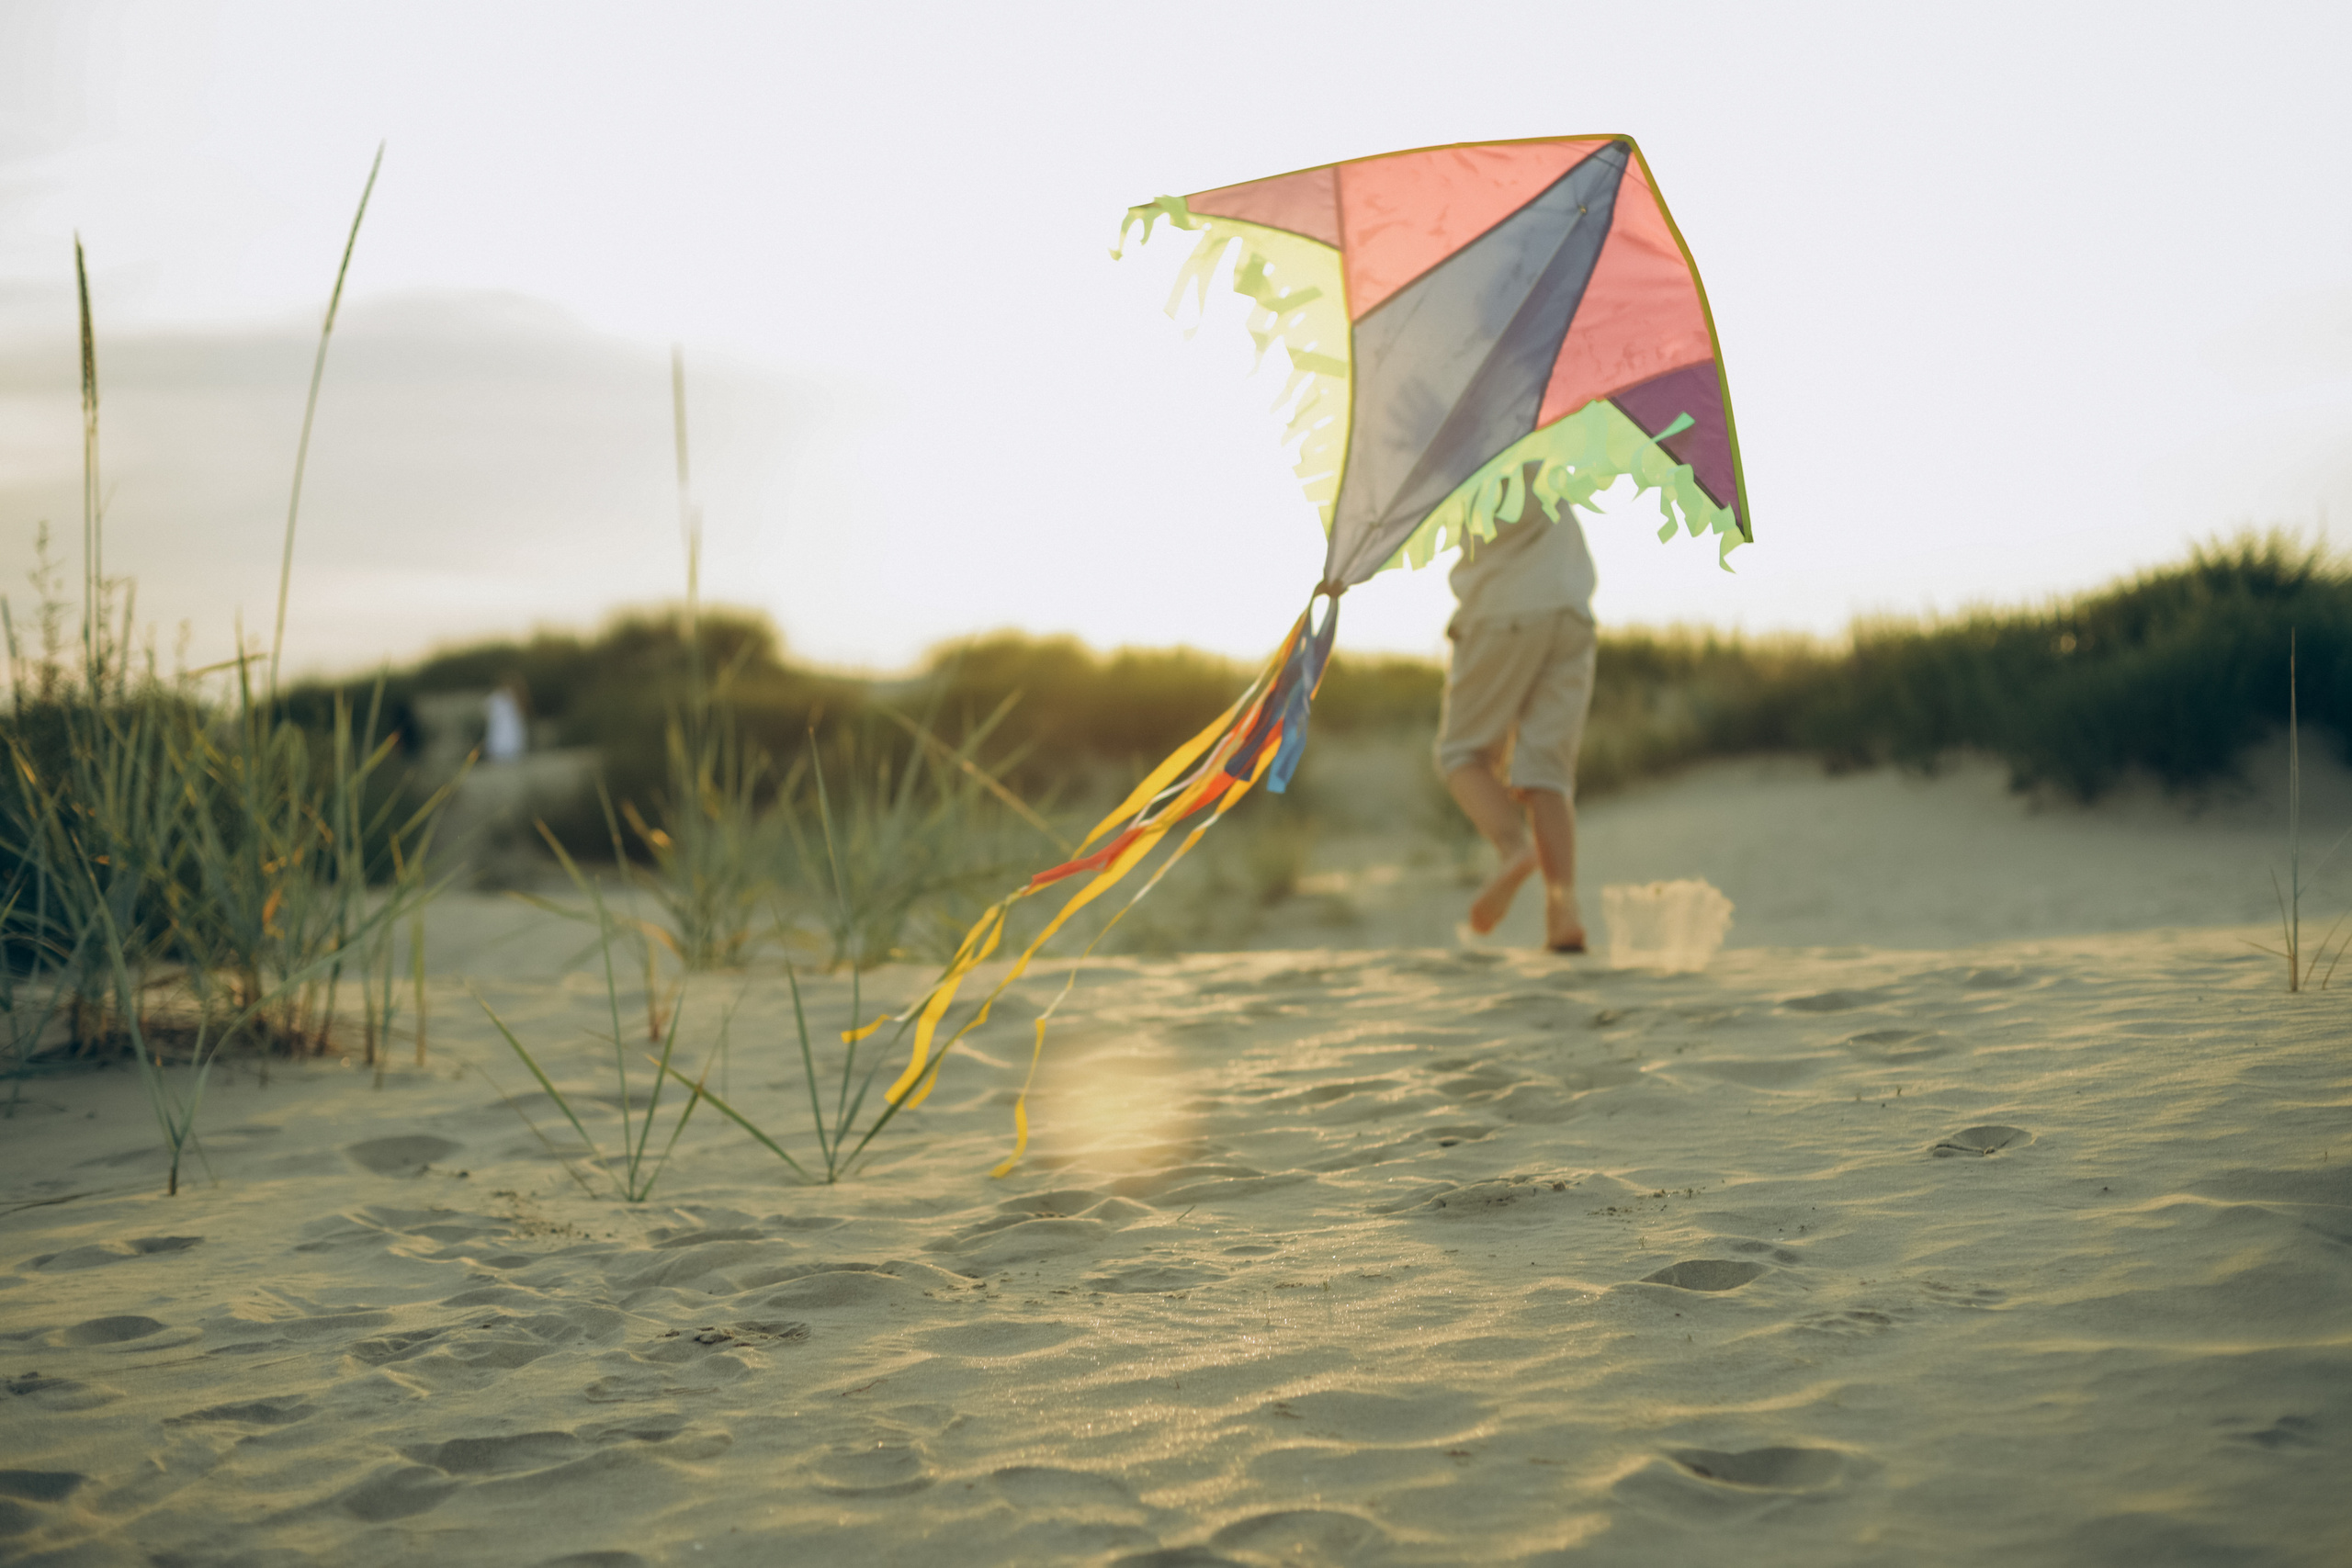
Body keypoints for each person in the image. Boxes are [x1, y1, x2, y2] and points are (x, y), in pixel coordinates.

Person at [1437, 468, 1598, 952]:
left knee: (1461, 754)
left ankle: (1514, 850)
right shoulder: (1548, 430)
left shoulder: (1457, 441)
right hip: (1570, 608)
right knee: (1547, 771)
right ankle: (1563, 910)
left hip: (1500, 608)